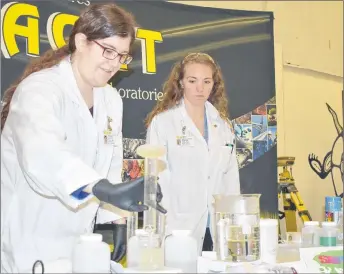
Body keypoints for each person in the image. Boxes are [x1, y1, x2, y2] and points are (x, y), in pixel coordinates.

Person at [0, 3, 165, 273]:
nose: (114, 64)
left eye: (122, 56)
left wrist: (116, 218)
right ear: (81, 41)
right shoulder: (40, 89)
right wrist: (101, 188)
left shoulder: (110, 98)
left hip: (80, 244)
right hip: (29, 242)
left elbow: (110, 162)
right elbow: (42, 153)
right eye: (108, 51)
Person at [145, 52, 240, 254]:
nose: (200, 88)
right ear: (180, 83)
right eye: (192, 80)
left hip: (216, 228)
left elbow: (231, 181)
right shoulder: (163, 123)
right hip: (177, 227)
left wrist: (234, 224)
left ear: (214, 84)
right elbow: (156, 181)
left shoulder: (223, 126)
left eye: (207, 81)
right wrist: (162, 230)